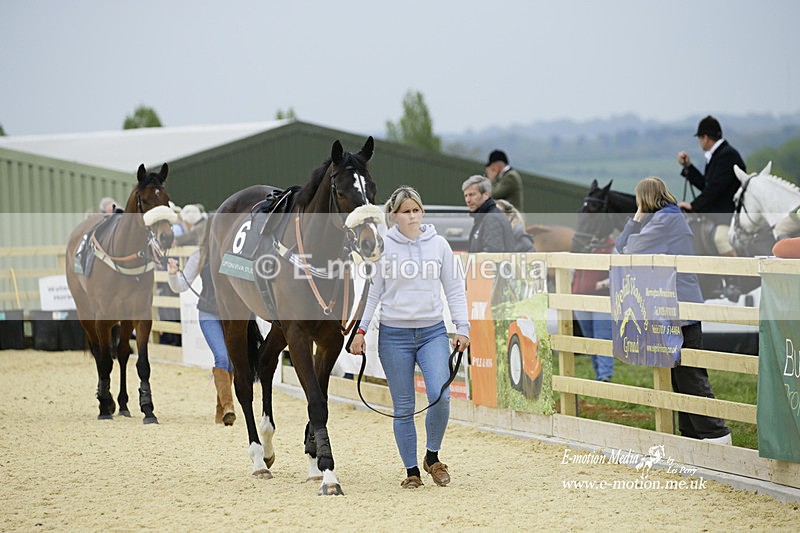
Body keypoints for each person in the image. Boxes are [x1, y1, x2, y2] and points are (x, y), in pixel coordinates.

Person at [350, 186, 470, 489]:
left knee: (440, 396)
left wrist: (462, 327)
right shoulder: (383, 247)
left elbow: (454, 288)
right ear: (394, 216)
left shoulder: (439, 244)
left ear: (423, 212)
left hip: (432, 332)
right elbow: (373, 292)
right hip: (394, 336)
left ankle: (432, 457)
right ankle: (412, 471)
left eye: (416, 210)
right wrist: (360, 331)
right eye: (406, 211)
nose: (412, 215)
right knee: (403, 406)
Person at [616, 176, 731, 444]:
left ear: (644, 199)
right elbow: (624, 247)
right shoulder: (667, 217)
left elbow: (628, 248)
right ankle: (692, 432)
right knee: (678, 371)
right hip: (671, 302)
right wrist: (637, 220)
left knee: (689, 371)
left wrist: (636, 219)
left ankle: (716, 433)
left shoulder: (665, 219)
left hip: (679, 303)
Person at [167, 215, 236, 426]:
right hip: (208, 313)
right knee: (222, 358)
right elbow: (181, 285)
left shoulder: (234, 255)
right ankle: (229, 407)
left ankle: (221, 411)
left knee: (231, 363)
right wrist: (172, 274)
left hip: (231, 316)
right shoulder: (201, 255)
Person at [676, 115, 745, 257]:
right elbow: (706, 185)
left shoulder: (727, 156)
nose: (700, 142)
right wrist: (688, 167)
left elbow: (715, 189)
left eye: (700, 139)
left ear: (705, 138)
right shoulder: (718, 155)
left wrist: (693, 206)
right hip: (720, 214)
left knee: (720, 239)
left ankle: (734, 277)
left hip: (730, 215)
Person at [571, 235, 615, 382]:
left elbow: (619, 272)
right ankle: (599, 375)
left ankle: (604, 376)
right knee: (590, 340)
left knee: (602, 337)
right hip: (580, 298)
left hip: (602, 298)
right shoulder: (581, 244)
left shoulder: (612, 247)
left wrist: (600, 285)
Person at [462, 175, 516, 253]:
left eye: (472, 195)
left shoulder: (492, 218)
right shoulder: (483, 217)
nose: (468, 200)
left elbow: (493, 255)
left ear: (486, 195)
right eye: (466, 196)